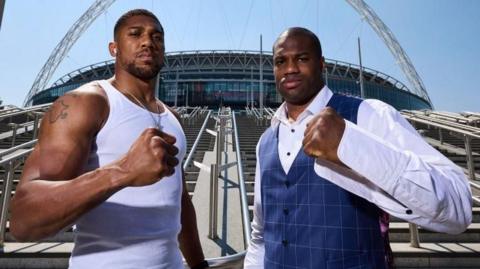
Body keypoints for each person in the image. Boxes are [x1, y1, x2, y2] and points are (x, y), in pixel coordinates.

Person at [244, 27, 472, 269]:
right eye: (281, 61)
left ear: (322, 65)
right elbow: (261, 234)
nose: (290, 69)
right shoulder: (265, 141)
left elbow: (458, 208)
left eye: (302, 58)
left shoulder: (368, 115)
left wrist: (351, 145)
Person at [10, 9, 208, 269]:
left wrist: (199, 264)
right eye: (135, 34)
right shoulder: (86, 103)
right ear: (114, 48)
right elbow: (24, 219)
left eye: (156, 36)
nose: (148, 41)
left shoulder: (172, 117)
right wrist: (122, 171)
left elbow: (180, 202)